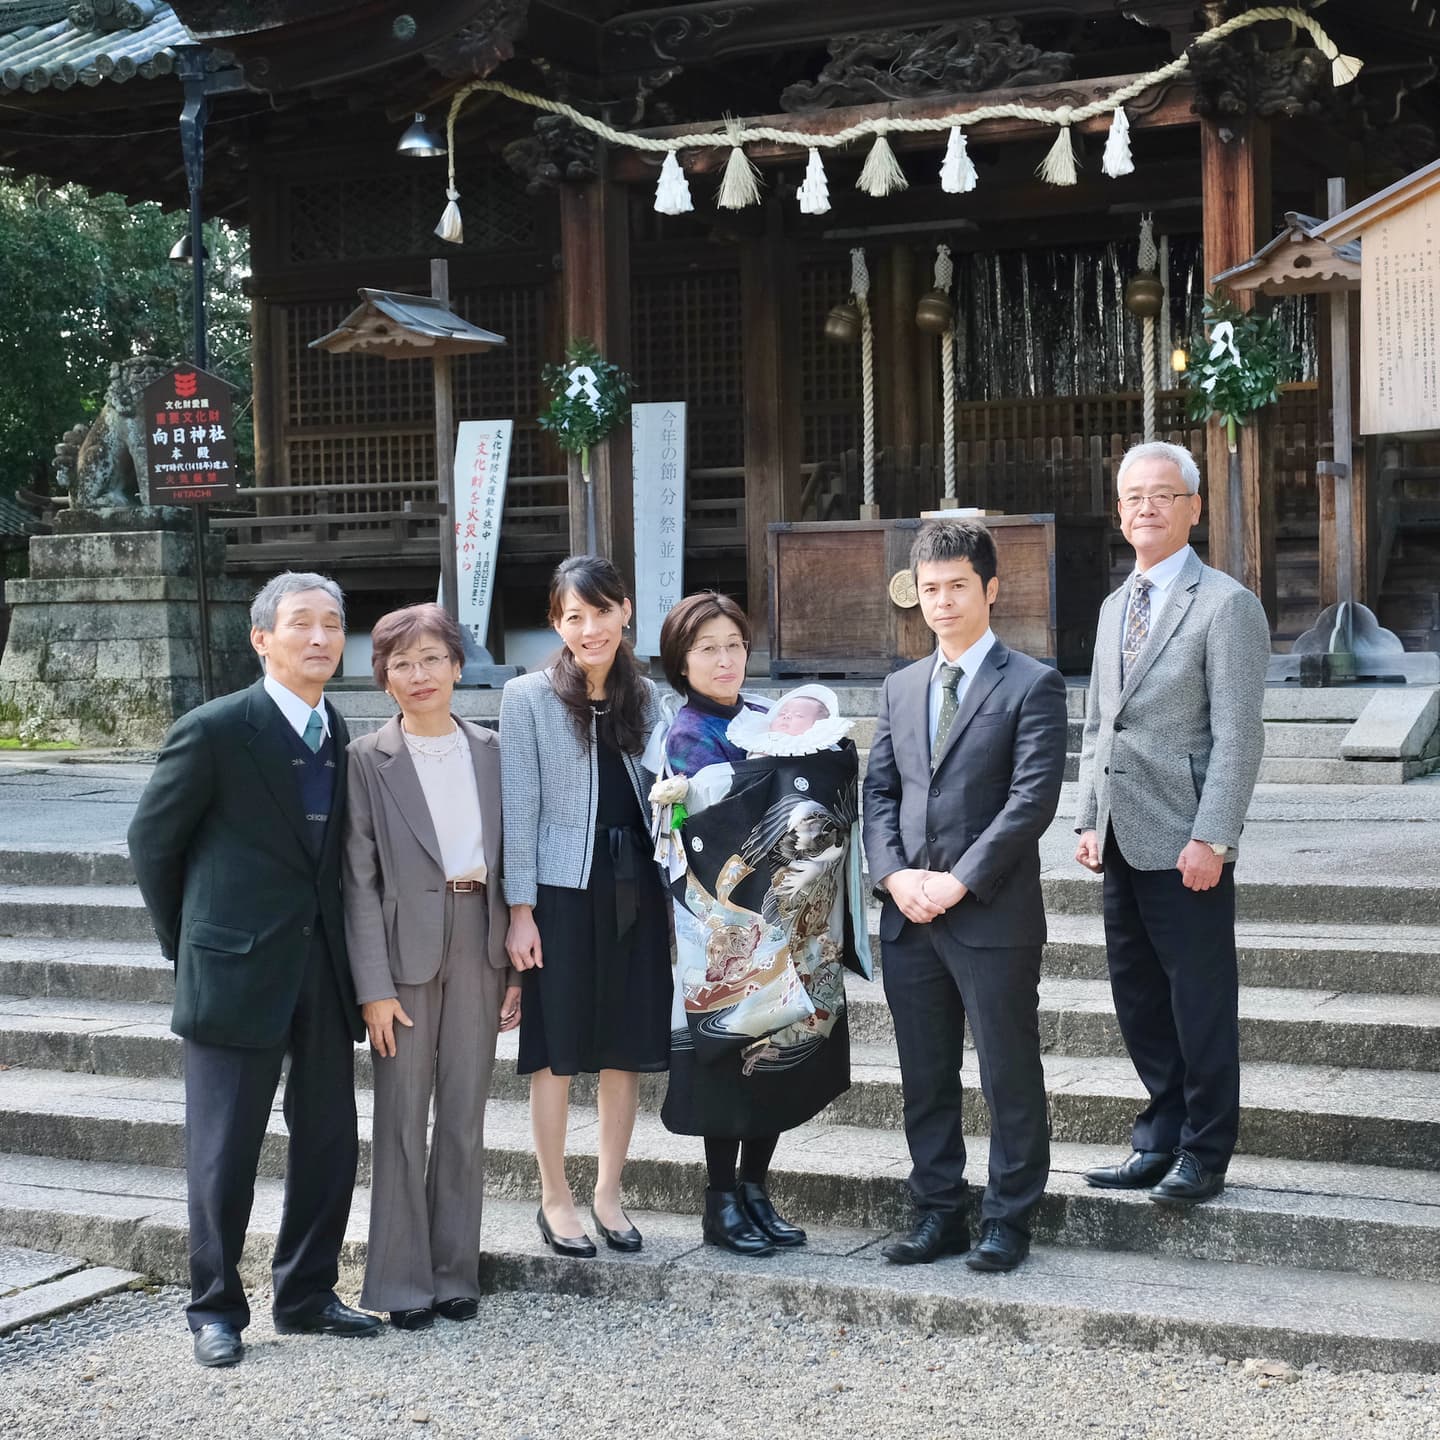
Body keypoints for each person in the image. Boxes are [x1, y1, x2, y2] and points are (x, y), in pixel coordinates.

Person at [126, 571, 379, 1369]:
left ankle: (305, 1294)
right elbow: (152, 844)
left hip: (321, 971)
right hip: (233, 968)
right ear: (261, 638)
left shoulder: (342, 733)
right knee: (224, 1149)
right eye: (300, 624)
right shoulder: (214, 729)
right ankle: (213, 1307)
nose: (319, 638)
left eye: (332, 625)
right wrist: (191, 941)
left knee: (330, 1141)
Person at [863, 520, 1067, 1274]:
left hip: (990, 912)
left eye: (957, 587)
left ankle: (1009, 1217)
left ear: (989, 590)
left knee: (1008, 1070)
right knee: (924, 1073)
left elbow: (1031, 800)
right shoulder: (900, 685)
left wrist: (959, 879)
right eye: (929, 590)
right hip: (909, 914)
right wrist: (894, 876)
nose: (942, 602)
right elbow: (879, 791)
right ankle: (937, 1211)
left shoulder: (1032, 684)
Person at [1075, 440, 1270, 1207]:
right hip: (1120, 834)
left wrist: (1214, 837)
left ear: (1193, 508)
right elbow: (1098, 725)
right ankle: (1158, 1137)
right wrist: (1088, 818)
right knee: (1140, 998)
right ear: (1119, 511)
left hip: (1186, 837)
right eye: (1132, 497)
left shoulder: (1227, 605)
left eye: (1163, 494)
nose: (1146, 507)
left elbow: (1239, 734)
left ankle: (1205, 1150)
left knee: (1199, 998)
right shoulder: (1112, 607)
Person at [653, 592, 859, 1258]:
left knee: (775, 1055)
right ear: (682, 662)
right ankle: (720, 1199)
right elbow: (687, 831)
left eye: (735, 646)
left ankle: (756, 1187)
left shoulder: (772, 717)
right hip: (723, 930)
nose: (724, 660)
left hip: (791, 921)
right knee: (727, 1055)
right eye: (707, 648)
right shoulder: (686, 734)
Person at [343, 603, 521, 1331]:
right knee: (399, 1113)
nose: (419, 675)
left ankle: (454, 1272)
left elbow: (514, 864)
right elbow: (357, 880)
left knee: (464, 1113)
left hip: (480, 931)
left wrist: (514, 968)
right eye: (402, 663)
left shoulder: (493, 750)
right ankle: (398, 1280)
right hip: (402, 947)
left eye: (433, 660)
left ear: (457, 667)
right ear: (384, 676)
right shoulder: (365, 758)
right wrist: (373, 988)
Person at [499, 555, 669, 1258]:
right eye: (574, 616)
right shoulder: (528, 697)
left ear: (626, 611)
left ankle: (607, 1192)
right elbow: (519, 808)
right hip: (562, 895)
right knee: (557, 1054)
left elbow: (671, 791)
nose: (589, 628)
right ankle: (554, 1197)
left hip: (638, 890)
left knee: (624, 1053)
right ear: (556, 623)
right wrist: (520, 910)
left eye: (602, 612)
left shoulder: (650, 697)